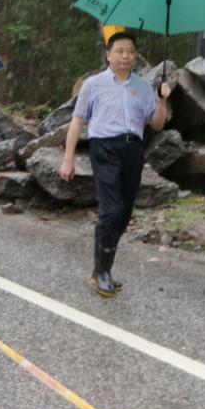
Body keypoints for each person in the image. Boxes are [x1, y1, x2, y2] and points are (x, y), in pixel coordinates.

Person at [60, 31, 170, 298]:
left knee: (124, 213)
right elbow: (77, 121)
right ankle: (101, 272)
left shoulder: (143, 86)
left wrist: (162, 99)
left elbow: (156, 124)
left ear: (135, 56)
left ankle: (104, 269)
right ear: (108, 54)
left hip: (133, 149)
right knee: (112, 209)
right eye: (119, 51)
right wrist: (68, 159)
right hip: (104, 148)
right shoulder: (93, 85)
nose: (125, 56)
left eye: (130, 51)